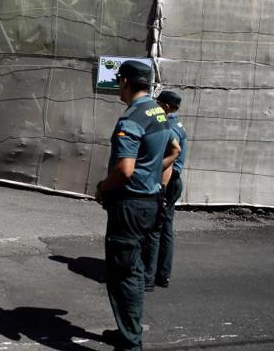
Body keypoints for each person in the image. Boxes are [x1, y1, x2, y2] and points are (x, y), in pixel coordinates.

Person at [95, 61, 180, 351]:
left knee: (124, 275)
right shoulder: (158, 112)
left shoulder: (131, 118)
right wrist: (154, 172)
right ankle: (127, 333)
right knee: (134, 269)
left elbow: (124, 170)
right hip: (150, 201)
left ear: (125, 82)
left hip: (130, 206)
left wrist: (102, 188)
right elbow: (173, 150)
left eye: (119, 80)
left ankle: (131, 342)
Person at [143, 90, 188, 291]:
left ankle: (149, 277)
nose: (156, 106)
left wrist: (160, 187)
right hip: (173, 182)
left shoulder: (169, 127)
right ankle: (162, 275)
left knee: (156, 228)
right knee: (165, 227)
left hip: (167, 181)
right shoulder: (177, 124)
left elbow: (171, 157)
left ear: (167, 106)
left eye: (159, 103)